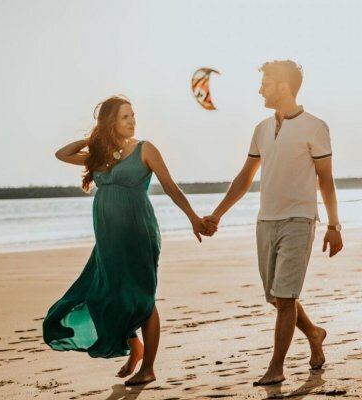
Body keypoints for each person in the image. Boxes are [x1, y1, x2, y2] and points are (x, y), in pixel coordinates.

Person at [42, 95, 214, 386]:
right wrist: (94, 139)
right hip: (109, 237)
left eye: (133, 115)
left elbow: (171, 188)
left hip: (137, 232)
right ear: (110, 122)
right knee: (110, 292)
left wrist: (194, 218)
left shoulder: (145, 149)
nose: (133, 120)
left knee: (142, 297)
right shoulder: (99, 155)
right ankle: (134, 346)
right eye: (125, 116)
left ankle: (148, 367)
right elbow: (62, 153)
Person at [203, 60, 343, 385]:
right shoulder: (261, 129)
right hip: (265, 221)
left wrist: (334, 226)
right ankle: (315, 334)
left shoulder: (315, 126)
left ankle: (276, 367)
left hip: (299, 220)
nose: (260, 89)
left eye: (265, 83)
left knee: (286, 298)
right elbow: (244, 177)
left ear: (283, 86)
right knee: (278, 297)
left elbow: (326, 179)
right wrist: (218, 214)